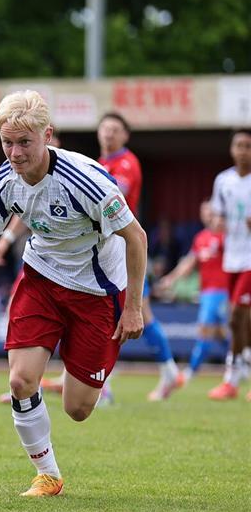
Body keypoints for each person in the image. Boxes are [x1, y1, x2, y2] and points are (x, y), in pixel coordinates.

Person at [0, 91, 147, 497]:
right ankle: (48, 475)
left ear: (48, 135)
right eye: (7, 142)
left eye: (24, 142)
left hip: (97, 291)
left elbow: (136, 238)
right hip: (41, 280)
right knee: (21, 381)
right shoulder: (3, 182)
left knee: (78, 409)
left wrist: (133, 308)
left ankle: (70, 371)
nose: (15, 152)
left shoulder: (88, 180)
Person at [32, 113, 182, 401]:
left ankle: (102, 383)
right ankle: (165, 372)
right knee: (134, 314)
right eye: (104, 129)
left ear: (125, 136)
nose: (108, 134)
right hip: (107, 247)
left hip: (122, 248)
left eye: (115, 130)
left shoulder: (126, 164)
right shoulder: (99, 164)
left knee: (121, 312)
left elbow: (110, 200)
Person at [156, 201, 229, 384]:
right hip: (206, 292)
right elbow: (189, 263)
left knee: (204, 330)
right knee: (221, 334)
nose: (206, 214)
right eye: (203, 211)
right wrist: (170, 279)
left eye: (209, 211)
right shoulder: (201, 238)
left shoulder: (226, 237)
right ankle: (242, 363)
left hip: (222, 291)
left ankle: (190, 371)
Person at [205, 129, 251, 400]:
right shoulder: (223, 180)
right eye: (239, 145)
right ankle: (236, 375)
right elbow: (215, 216)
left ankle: (233, 375)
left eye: (248, 146)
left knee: (236, 315)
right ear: (232, 149)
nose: (243, 150)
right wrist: (216, 222)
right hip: (231, 257)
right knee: (241, 321)